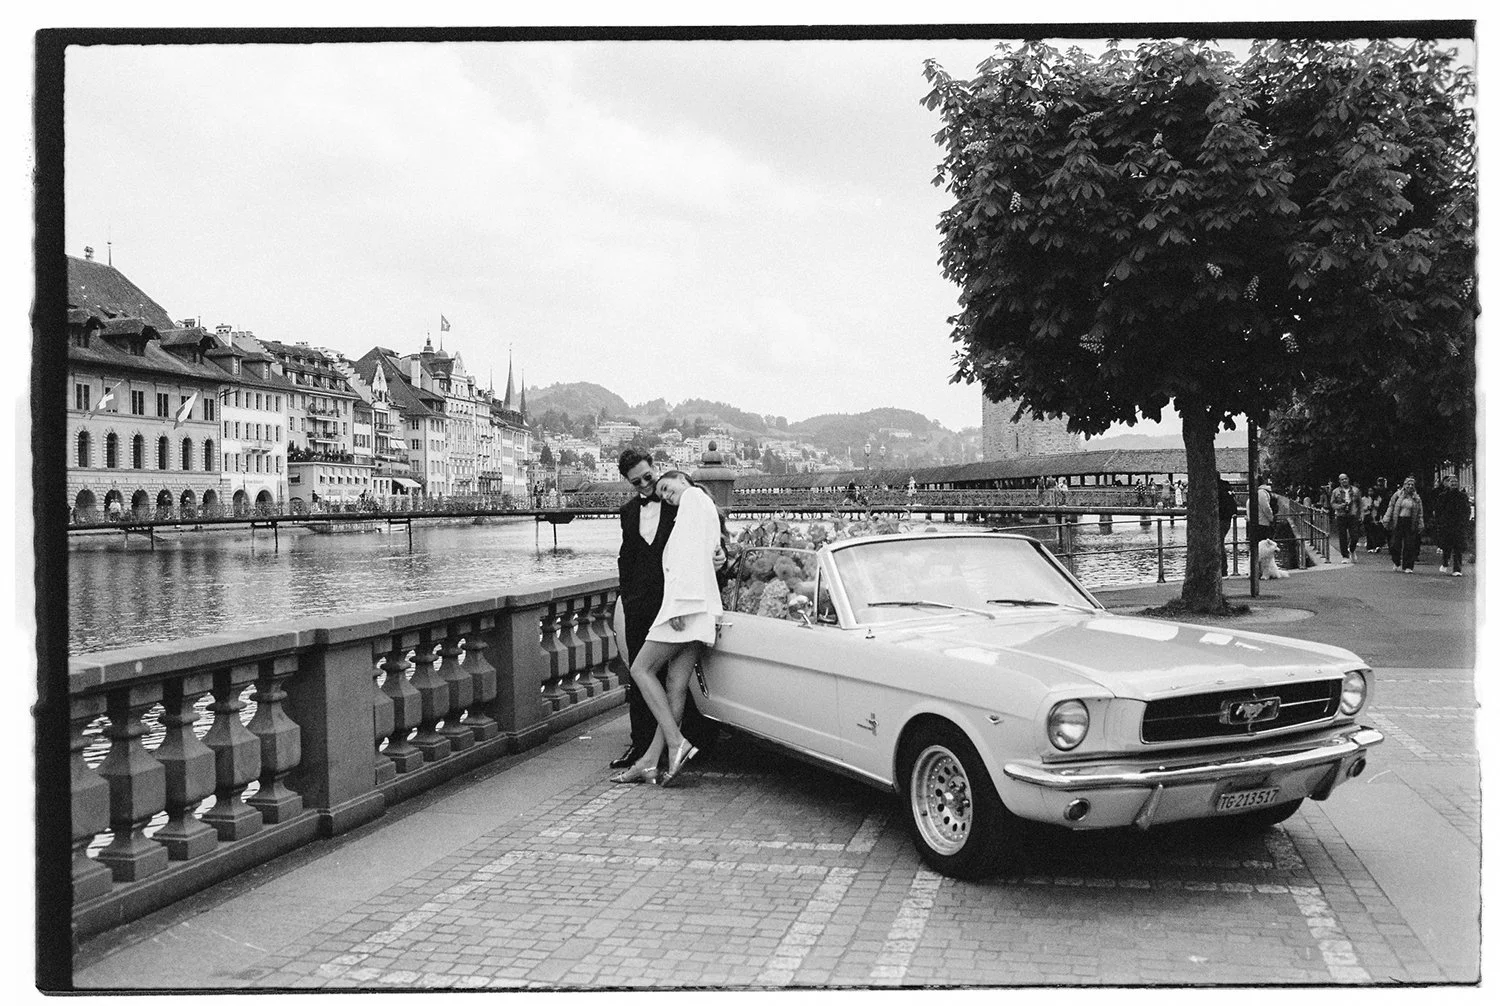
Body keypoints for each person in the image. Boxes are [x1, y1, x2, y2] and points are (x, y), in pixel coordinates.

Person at [611, 470, 724, 786]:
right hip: (699, 610)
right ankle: (649, 761)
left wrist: (679, 605)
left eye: (666, 487)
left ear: (683, 480)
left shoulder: (691, 499)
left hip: (685, 608)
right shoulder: (703, 506)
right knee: (675, 684)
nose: (666, 495)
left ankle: (677, 743)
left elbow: (687, 560)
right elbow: (707, 554)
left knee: (641, 669)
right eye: (662, 495)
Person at [1383, 475, 1425, 573]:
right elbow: (1391, 506)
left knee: (1409, 545)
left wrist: (1420, 523)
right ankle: (1396, 562)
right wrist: (1386, 518)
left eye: (1412, 484)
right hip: (1398, 521)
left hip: (1410, 521)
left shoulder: (1416, 498)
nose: (1410, 486)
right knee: (1394, 544)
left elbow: (1420, 512)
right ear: (1404, 485)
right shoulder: (1397, 495)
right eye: (1408, 484)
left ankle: (1408, 566)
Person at [1433, 474, 1471, 577]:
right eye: (1451, 482)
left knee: (1458, 547)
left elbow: (1467, 510)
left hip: (1458, 525)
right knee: (1446, 546)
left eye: (1455, 482)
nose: (1453, 484)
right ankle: (1445, 562)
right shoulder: (1442, 496)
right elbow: (1438, 510)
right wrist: (1439, 521)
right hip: (1446, 524)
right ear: (1448, 484)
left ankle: (1457, 569)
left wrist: (1464, 521)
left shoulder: (1462, 496)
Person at [1330, 473, 1361, 564]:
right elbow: (1332, 503)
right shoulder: (1335, 491)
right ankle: (1345, 556)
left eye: (1345, 479)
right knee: (1342, 536)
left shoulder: (1356, 490)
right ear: (1339, 481)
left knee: (1354, 535)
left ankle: (1352, 549)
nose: (1344, 481)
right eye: (1342, 479)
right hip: (1341, 515)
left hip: (1353, 515)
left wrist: (1361, 515)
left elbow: (1360, 503)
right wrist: (1339, 506)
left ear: (1348, 479)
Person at [1217, 478, 1240, 575]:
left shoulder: (1217, 489)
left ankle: (1222, 569)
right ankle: (1223, 569)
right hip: (1227, 518)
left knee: (1218, 543)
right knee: (1220, 542)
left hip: (1220, 517)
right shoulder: (1227, 487)